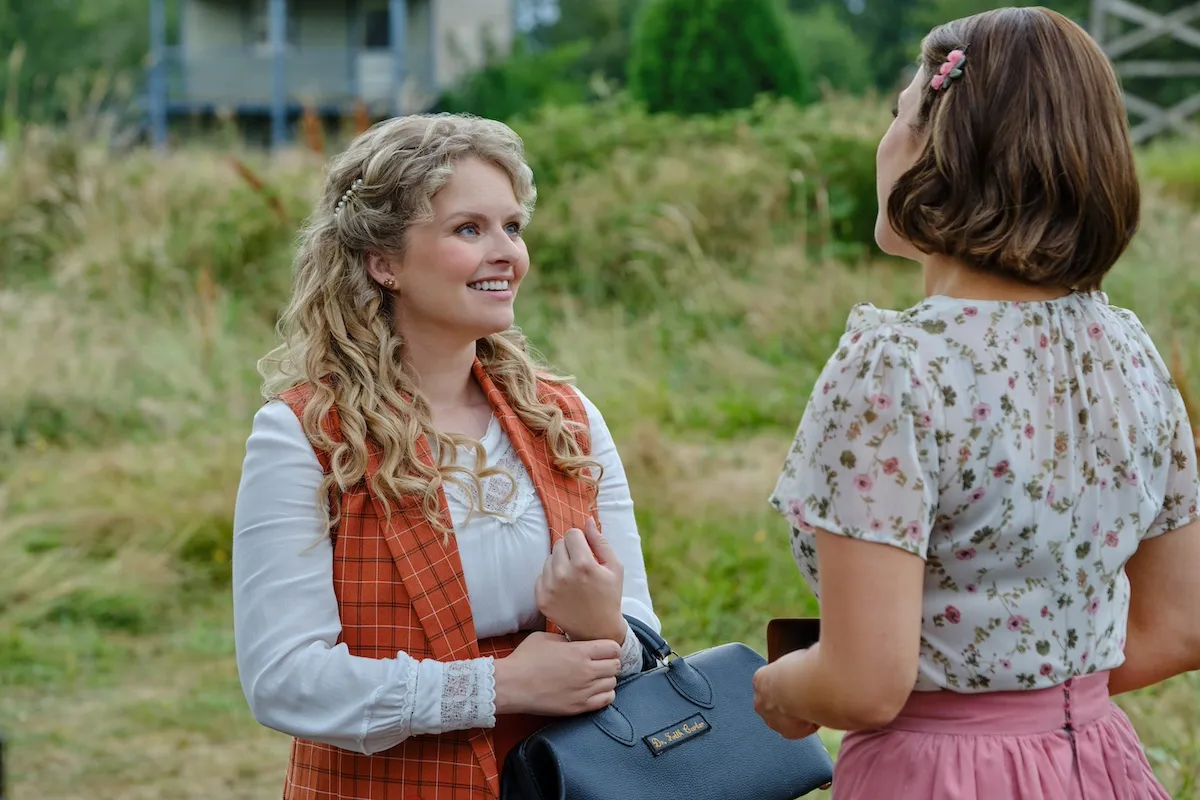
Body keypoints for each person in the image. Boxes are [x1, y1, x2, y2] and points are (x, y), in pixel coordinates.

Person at [751, 7, 1200, 799]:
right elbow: (1178, 624)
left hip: (937, 775)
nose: (885, 142)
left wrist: (783, 689)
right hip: (1098, 761)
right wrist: (1035, 701)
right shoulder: (1128, 348)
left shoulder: (894, 364)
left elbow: (863, 683)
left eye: (899, 114)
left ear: (938, 148)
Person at [230, 114, 660, 800]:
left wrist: (603, 625)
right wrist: (500, 686)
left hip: (566, 783)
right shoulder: (305, 435)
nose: (507, 254)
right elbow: (283, 681)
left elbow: (643, 638)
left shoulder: (567, 419)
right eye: (470, 229)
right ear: (384, 262)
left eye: (512, 227)